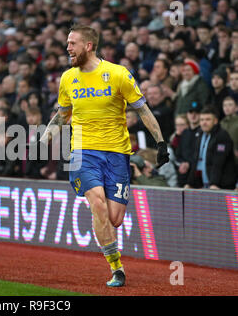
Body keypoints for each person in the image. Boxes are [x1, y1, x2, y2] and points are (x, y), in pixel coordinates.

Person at [37, 25, 169, 287]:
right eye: (67, 43)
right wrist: (43, 138)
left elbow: (143, 110)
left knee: (114, 218)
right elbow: (62, 115)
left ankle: (106, 234)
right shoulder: (67, 78)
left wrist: (161, 142)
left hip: (117, 153)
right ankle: (117, 267)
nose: (67, 48)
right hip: (82, 151)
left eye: (72, 43)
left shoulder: (118, 74)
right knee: (97, 203)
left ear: (88, 46)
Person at [185, 105, 237, 190]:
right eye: (202, 120)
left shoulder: (222, 136)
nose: (204, 123)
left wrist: (214, 184)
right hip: (206, 185)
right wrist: (190, 183)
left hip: (222, 186)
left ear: (215, 121)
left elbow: (218, 163)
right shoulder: (199, 134)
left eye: (208, 119)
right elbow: (196, 161)